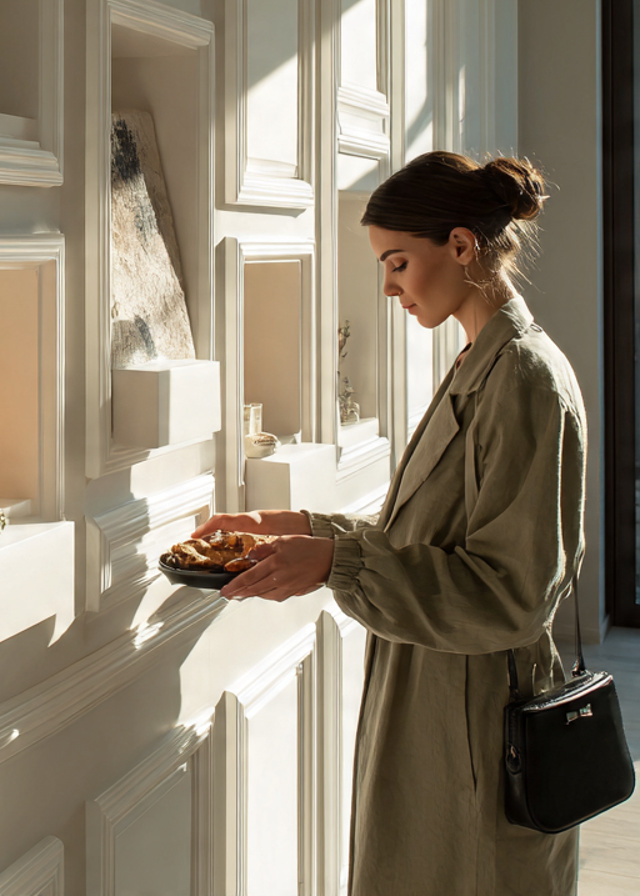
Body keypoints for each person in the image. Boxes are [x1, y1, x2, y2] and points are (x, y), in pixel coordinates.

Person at [193, 151, 587, 896]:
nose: (388, 286)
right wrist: (299, 526)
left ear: (462, 246)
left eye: (399, 263)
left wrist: (336, 564)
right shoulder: (481, 361)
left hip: (477, 721)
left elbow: (512, 595)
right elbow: (430, 538)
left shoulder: (526, 380)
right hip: (434, 703)